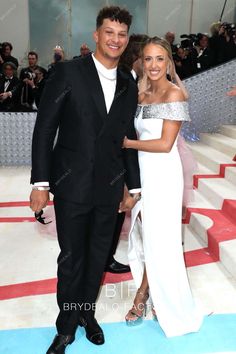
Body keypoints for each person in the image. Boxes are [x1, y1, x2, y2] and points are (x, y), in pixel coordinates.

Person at [30, 6, 141, 354]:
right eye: (109, 32)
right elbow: (44, 128)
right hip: (72, 184)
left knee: (96, 257)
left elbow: (127, 133)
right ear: (96, 35)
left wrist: (133, 186)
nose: (115, 39)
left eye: (122, 34)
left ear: (127, 40)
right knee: (71, 258)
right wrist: (40, 183)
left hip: (110, 187)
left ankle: (86, 314)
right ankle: (66, 326)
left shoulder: (128, 82)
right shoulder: (67, 73)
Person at [121, 37, 203, 337]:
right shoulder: (142, 94)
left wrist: (127, 143)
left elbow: (166, 143)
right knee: (147, 237)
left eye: (159, 59)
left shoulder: (174, 94)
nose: (153, 65)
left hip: (164, 176)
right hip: (144, 174)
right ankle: (153, 292)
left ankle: (144, 296)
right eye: (147, 59)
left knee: (161, 241)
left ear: (168, 62)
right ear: (141, 62)